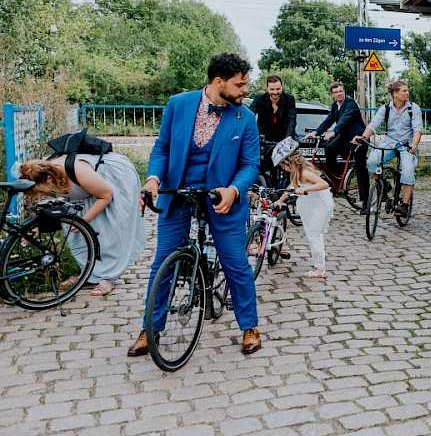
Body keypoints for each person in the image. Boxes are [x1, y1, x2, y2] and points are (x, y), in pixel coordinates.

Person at [130, 53, 262, 357]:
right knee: (162, 261)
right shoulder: (178, 104)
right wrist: (152, 180)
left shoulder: (246, 118)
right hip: (177, 194)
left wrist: (234, 190)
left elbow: (250, 164)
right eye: (240, 85)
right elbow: (162, 147)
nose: (245, 91)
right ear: (218, 82)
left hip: (222, 199)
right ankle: (151, 328)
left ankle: (250, 326)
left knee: (235, 263)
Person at [17, 152, 146, 297]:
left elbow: (106, 195)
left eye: (41, 190)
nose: (42, 193)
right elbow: (47, 206)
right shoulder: (43, 177)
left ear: (49, 178)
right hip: (87, 189)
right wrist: (36, 228)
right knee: (77, 236)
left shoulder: (78, 171)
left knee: (109, 232)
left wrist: (84, 221)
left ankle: (108, 278)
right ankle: (89, 274)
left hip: (111, 180)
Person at [353, 80, 422, 219]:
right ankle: (383, 186)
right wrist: (363, 137)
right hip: (390, 142)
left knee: (407, 170)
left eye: (407, 90)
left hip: (407, 144)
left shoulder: (413, 108)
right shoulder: (386, 109)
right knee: (372, 161)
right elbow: (373, 125)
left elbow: (417, 129)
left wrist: (414, 145)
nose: (407, 93)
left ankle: (404, 206)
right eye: (404, 91)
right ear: (395, 94)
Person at [272, 138, 333, 279]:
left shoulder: (305, 173)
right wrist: (280, 200)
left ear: (289, 162)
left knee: (314, 236)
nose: (282, 168)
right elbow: (291, 186)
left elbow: (323, 184)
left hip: (319, 206)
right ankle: (318, 264)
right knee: (313, 234)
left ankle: (320, 269)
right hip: (313, 205)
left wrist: (306, 189)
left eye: (283, 165)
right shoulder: (297, 173)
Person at [303, 81, 368, 212]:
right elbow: (328, 121)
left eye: (341, 91)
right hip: (344, 137)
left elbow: (345, 118)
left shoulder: (350, 104)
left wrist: (334, 132)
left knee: (360, 168)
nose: (339, 94)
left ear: (344, 91)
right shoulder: (334, 106)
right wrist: (315, 132)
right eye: (336, 92)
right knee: (330, 148)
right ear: (332, 94)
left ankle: (365, 201)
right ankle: (335, 180)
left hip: (357, 138)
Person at [248, 75, 297, 183]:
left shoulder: (289, 99)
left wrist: (288, 138)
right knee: (262, 163)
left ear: (282, 87)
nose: (275, 92)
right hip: (265, 136)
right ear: (267, 88)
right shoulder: (259, 99)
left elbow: (291, 120)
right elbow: (249, 116)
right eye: (272, 89)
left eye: (278, 89)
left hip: (283, 136)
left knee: (291, 162)